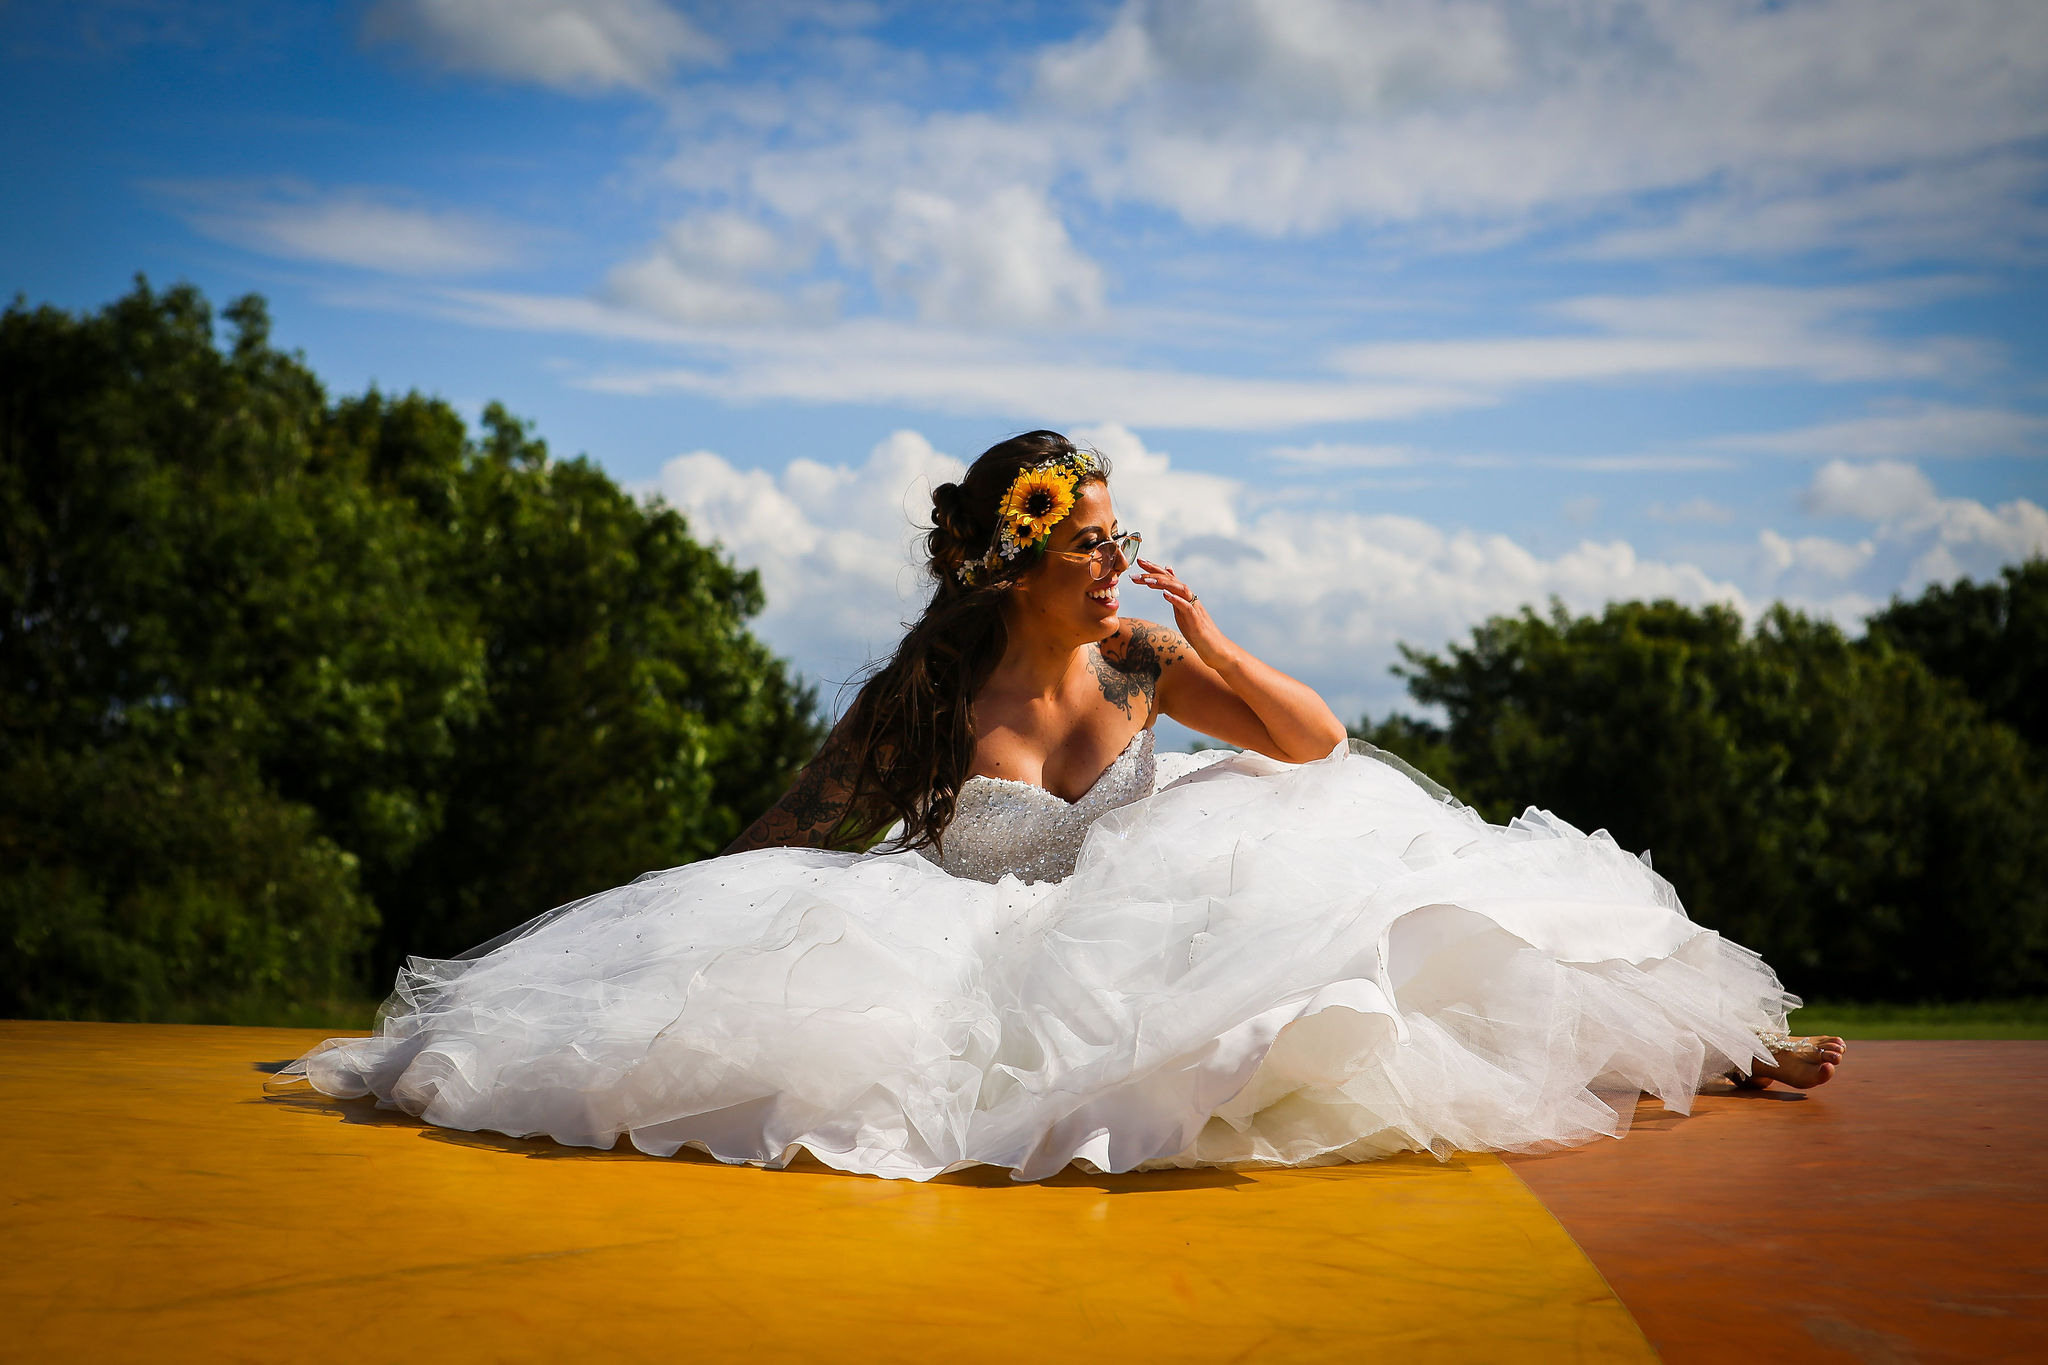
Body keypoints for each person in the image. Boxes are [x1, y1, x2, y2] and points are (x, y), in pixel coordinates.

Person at [277, 430, 1845, 1181]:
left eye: (1118, 530)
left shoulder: (1151, 658)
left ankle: (1715, 1048)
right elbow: (785, 837)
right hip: (984, 952)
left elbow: (1316, 740)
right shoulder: (927, 699)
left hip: (1166, 903)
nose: (1113, 555)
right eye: (1087, 539)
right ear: (1014, 559)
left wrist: (1208, 630)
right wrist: (662, 945)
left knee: (1394, 877)